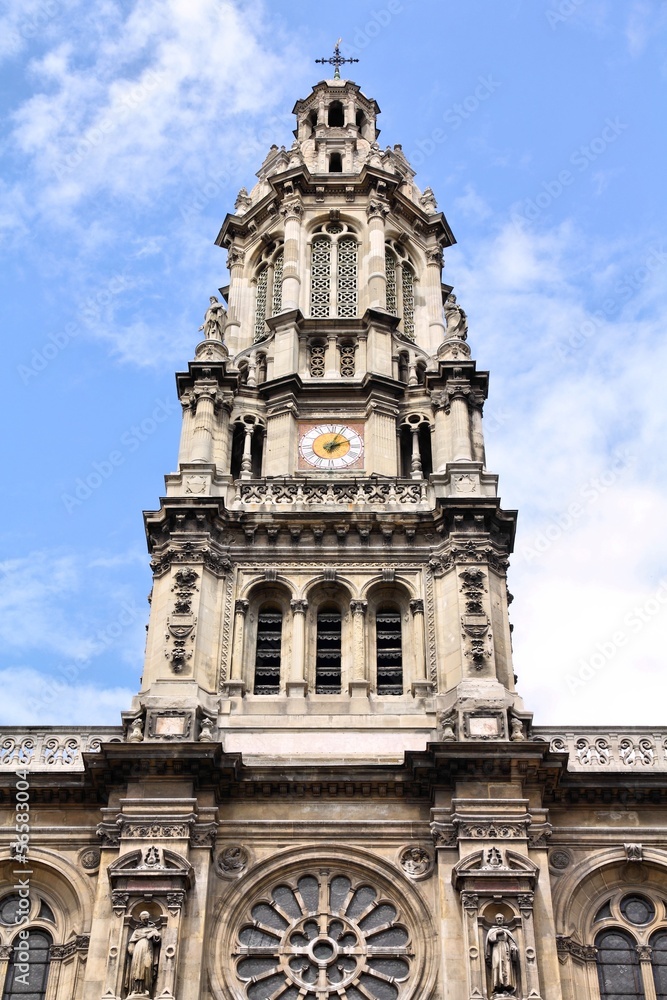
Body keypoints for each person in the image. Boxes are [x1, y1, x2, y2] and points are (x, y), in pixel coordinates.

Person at [126, 911, 161, 996]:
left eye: (147, 919)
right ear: (140, 919)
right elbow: (131, 943)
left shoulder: (153, 929)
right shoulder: (137, 931)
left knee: (147, 968)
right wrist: (132, 951)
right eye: (144, 919)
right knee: (137, 969)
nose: (145, 920)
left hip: (147, 950)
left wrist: (154, 934)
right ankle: (136, 989)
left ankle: (146, 989)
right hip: (137, 952)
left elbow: (157, 940)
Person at [485, 915, 518, 994]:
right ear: (495, 920)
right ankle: (497, 987)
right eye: (497, 918)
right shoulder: (492, 930)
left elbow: (511, 941)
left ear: (503, 920)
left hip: (505, 950)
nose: (499, 919)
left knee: (506, 968)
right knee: (496, 965)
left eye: (501, 918)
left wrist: (513, 947)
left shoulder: (507, 931)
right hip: (496, 949)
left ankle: (506, 987)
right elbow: (490, 939)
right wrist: (497, 933)